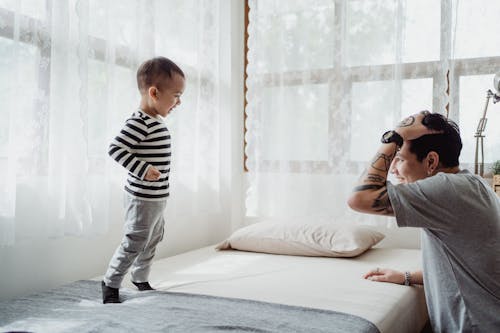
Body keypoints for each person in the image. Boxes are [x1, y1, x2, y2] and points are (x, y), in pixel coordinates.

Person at [347, 111, 500, 332]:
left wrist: (395, 136)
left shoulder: (448, 190)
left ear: (431, 161)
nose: (392, 169)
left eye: (399, 159)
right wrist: (407, 277)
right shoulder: (470, 184)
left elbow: (358, 199)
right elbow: (466, 264)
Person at [101, 56, 185, 304]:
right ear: (154, 93)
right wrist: (142, 168)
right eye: (176, 95)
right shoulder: (139, 122)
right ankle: (110, 283)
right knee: (135, 240)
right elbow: (115, 149)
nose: (179, 102)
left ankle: (140, 278)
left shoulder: (154, 121)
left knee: (153, 239)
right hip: (141, 198)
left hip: (157, 197)